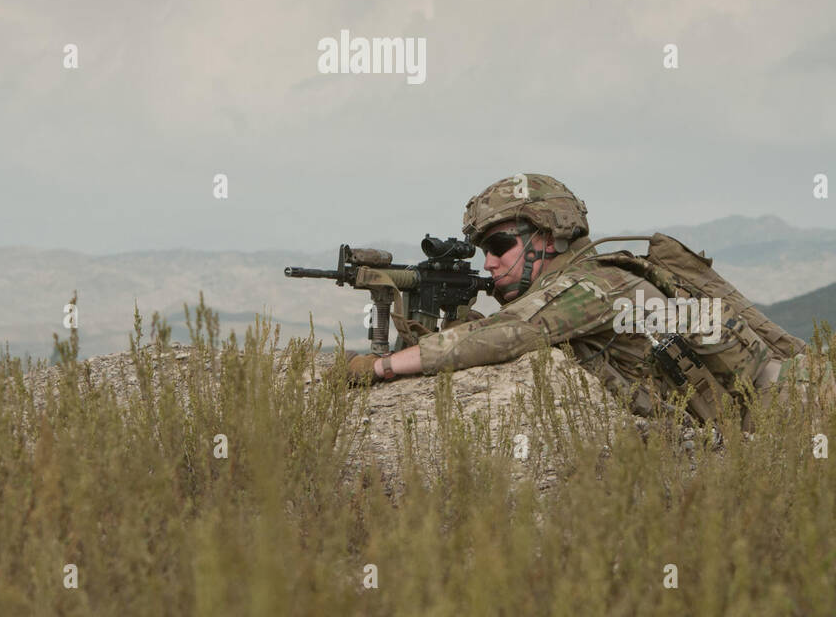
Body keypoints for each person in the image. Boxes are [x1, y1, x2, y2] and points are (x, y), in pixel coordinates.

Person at [340, 173, 820, 428]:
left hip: (801, 415)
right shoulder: (600, 279)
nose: (488, 263)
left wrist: (379, 369)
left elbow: (506, 335)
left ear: (548, 236)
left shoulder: (592, 286)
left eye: (500, 245)